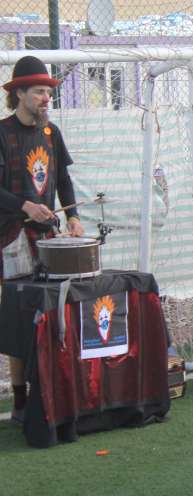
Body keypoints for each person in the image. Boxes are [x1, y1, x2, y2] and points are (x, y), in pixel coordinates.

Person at [1, 56, 84, 423]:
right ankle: (21, 400)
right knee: (19, 318)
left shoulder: (52, 133)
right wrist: (25, 206)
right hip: (12, 237)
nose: (46, 98)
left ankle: (54, 389)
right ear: (19, 93)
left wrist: (74, 216)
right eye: (38, 92)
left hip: (49, 238)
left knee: (51, 312)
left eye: (48, 92)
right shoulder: (2, 133)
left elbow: (63, 181)